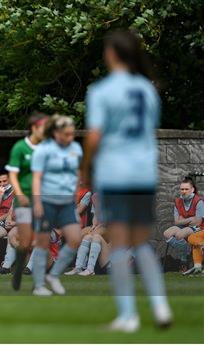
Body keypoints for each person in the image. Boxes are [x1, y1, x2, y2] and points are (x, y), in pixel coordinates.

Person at [81, 29, 172, 332]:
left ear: (111, 54)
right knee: (140, 242)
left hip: (116, 173)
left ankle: (128, 315)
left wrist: (85, 167)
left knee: (119, 243)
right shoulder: (148, 90)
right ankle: (160, 306)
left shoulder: (101, 91)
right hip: (144, 172)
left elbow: (94, 136)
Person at [30, 115, 83, 296]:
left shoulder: (75, 148)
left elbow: (76, 173)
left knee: (75, 238)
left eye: (71, 134)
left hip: (66, 203)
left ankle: (53, 275)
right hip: (46, 202)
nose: (70, 137)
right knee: (42, 243)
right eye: (66, 134)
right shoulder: (43, 150)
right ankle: (38, 286)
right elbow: (36, 178)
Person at [5, 112, 48, 290]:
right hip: (23, 201)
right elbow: (12, 175)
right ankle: (17, 273)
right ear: (34, 128)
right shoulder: (20, 148)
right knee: (25, 241)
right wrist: (20, 194)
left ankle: (38, 283)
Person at [163, 177, 203, 270]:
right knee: (166, 233)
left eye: (186, 189)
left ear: (192, 189)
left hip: (198, 227)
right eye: (182, 189)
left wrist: (183, 219)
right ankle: (186, 250)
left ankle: (184, 259)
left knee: (179, 235)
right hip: (184, 226)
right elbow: (176, 221)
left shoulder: (199, 201)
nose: (184, 191)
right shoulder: (178, 202)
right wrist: (190, 219)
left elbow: (198, 221)